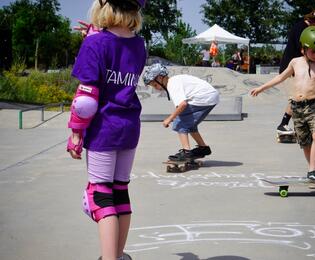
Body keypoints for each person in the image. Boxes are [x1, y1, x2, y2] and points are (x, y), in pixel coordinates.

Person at [66, 1, 147, 260]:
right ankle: (119, 255)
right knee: (120, 190)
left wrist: (76, 133)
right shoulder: (139, 44)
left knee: (100, 195)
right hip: (129, 126)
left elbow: (87, 100)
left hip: (104, 129)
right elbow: (117, 52)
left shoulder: (96, 43)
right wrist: (93, 36)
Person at [250, 26, 315, 183]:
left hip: (313, 106)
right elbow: (281, 78)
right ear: (303, 48)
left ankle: (311, 171)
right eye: (313, 51)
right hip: (296, 107)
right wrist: (262, 87)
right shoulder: (295, 62)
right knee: (305, 142)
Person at [142, 63, 220, 161]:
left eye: (154, 84)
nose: (155, 87)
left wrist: (169, 119)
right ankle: (203, 148)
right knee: (189, 123)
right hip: (208, 96)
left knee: (180, 123)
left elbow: (182, 104)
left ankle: (186, 152)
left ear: (160, 78)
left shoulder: (172, 84)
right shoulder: (174, 81)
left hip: (204, 98)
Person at [277, 9, 315, 135]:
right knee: (295, 97)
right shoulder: (302, 29)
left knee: (296, 97)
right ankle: (283, 124)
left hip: (293, 67)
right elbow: (304, 49)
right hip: (290, 68)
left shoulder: (301, 26)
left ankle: (290, 124)